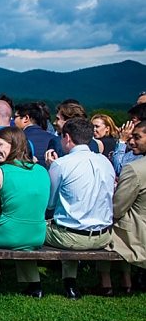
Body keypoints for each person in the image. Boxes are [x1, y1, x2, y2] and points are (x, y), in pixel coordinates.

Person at [42, 117, 115, 299]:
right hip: (103, 235)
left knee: (37, 227)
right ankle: (75, 284)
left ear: (67, 137)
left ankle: (65, 284)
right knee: (68, 223)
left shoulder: (62, 164)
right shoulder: (105, 162)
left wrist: (51, 168)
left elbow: (50, 203)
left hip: (71, 237)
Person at [0, 127, 50, 288]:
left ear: (13, 144)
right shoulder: (42, 171)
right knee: (21, 228)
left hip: (9, 235)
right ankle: (34, 285)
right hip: (36, 235)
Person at [100, 121, 146, 294]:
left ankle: (106, 283)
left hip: (138, 236)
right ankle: (125, 280)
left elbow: (118, 208)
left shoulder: (134, 169)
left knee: (100, 230)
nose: (131, 142)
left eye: (137, 137)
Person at [14, 102, 52, 167]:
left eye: (15, 117)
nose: (14, 121)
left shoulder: (17, 138)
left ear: (26, 118)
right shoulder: (52, 138)